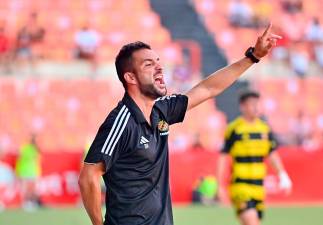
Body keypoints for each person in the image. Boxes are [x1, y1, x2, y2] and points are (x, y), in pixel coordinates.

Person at [78, 24, 281, 225]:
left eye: (158, 61)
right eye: (148, 64)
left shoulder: (161, 110)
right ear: (130, 77)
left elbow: (208, 88)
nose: (159, 67)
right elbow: (88, 177)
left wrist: (253, 57)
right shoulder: (121, 122)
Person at [217, 91, 292, 225]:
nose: (256, 108)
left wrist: (282, 174)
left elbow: (272, 153)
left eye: (257, 104)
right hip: (240, 186)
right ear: (243, 107)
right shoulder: (234, 129)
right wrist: (220, 184)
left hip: (259, 187)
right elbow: (223, 157)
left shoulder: (264, 129)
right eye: (252, 104)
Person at [15, 134, 42, 211]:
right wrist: (18, 171)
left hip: (33, 172)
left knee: (33, 189)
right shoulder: (25, 148)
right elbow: (20, 159)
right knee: (25, 189)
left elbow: (37, 161)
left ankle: (32, 202)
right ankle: (26, 203)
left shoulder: (36, 149)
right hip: (24, 171)